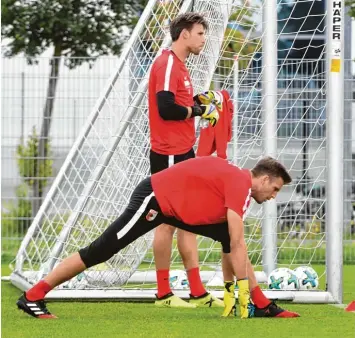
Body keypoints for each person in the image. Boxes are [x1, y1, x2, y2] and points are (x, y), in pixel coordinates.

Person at [17, 156, 300, 319]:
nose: (274, 196)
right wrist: (239, 290)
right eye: (274, 189)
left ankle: (261, 304)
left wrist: (233, 292)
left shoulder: (242, 186)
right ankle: (33, 296)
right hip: (154, 199)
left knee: (229, 237)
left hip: (177, 210)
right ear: (263, 180)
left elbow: (232, 244)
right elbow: (237, 244)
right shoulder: (241, 184)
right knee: (101, 250)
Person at [148, 12, 222, 308]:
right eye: (201, 33)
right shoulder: (167, 63)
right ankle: (163, 294)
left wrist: (200, 102)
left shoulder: (179, 66)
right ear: (185, 35)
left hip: (183, 152)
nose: (204, 39)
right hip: (168, 154)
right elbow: (166, 108)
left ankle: (197, 291)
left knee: (189, 221)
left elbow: (180, 104)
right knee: (166, 223)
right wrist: (199, 112)